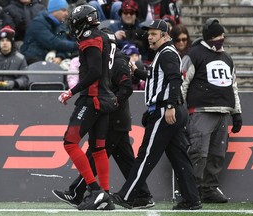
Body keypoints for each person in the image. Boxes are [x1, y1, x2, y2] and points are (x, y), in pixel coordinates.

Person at [110, 19, 202, 210]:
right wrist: (137, 72)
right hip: (172, 110)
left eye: (153, 34)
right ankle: (192, 199)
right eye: (149, 33)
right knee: (179, 157)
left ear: (165, 35)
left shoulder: (167, 53)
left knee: (146, 155)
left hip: (165, 111)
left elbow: (175, 79)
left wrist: (169, 105)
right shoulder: (164, 53)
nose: (149, 37)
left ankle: (127, 196)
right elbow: (155, 77)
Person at [53, 48, 155, 209]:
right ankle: (143, 195)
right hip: (115, 119)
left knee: (95, 153)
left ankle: (77, 193)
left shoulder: (119, 62)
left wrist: (112, 104)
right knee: (125, 160)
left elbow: (127, 88)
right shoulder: (109, 61)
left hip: (114, 119)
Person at [57, 4, 119, 210]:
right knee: (98, 148)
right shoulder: (106, 36)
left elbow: (94, 72)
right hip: (105, 97)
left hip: (92, 97)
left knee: (70, 142)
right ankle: (106, 196)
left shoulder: (90, 38)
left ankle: (95, 190)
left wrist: (71, 91)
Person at [181, 18, 243, 203]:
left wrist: (236, 112)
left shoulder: (227, 58)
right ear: (208, 37)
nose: (221, 39)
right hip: (201, 110)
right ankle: (192, 189)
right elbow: (182, 83)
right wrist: (179, 108)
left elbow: (233, 87)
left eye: (222, 35)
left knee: (217, 155)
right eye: (217, 35)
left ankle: (209, 188)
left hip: (223, 112)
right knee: (199, 153)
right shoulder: (193, 54)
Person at [20, 0, 77, 65]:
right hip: (33, 59)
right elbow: (52, 42)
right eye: (63, 10)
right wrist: (76, 45)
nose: (66, 13)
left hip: (48, 59)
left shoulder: (60, 24)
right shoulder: (38, 23)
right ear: (54, 10)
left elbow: (62, 42)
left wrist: (60, 56)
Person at [0, 26, 29, 90]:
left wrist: (14, 83)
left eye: (7, 40)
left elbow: (25, 79)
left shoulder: (20, 58)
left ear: (12, 43)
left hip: (14, 92)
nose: (4, 43)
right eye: (2, 40)